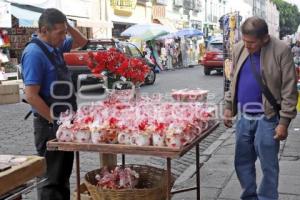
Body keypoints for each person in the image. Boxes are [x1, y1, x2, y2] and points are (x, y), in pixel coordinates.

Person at [224, 17, 298, 200]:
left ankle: (267, 197)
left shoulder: (281, 50)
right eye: (244, 41)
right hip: (243, 117)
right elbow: (233, 80)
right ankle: (249, 196)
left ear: (265, 38)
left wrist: (284, 122)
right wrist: (228, 106)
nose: (246, 45)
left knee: (269, 165)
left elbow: (289, 88)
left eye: (251, 42)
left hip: (268, 118)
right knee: (242, 162)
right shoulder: (239, 48)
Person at [21, 8, 87, 200]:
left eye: (64, 32)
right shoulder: (34, 53)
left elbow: (82, 42)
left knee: (63, 176)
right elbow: (31, 95)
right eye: (60, 33)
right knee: (51, 181)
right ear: (43, 30)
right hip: (50, 126)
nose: (63, 37)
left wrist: (67, 25)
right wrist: (55, 121)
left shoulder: (56, 47)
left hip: (65, 122)